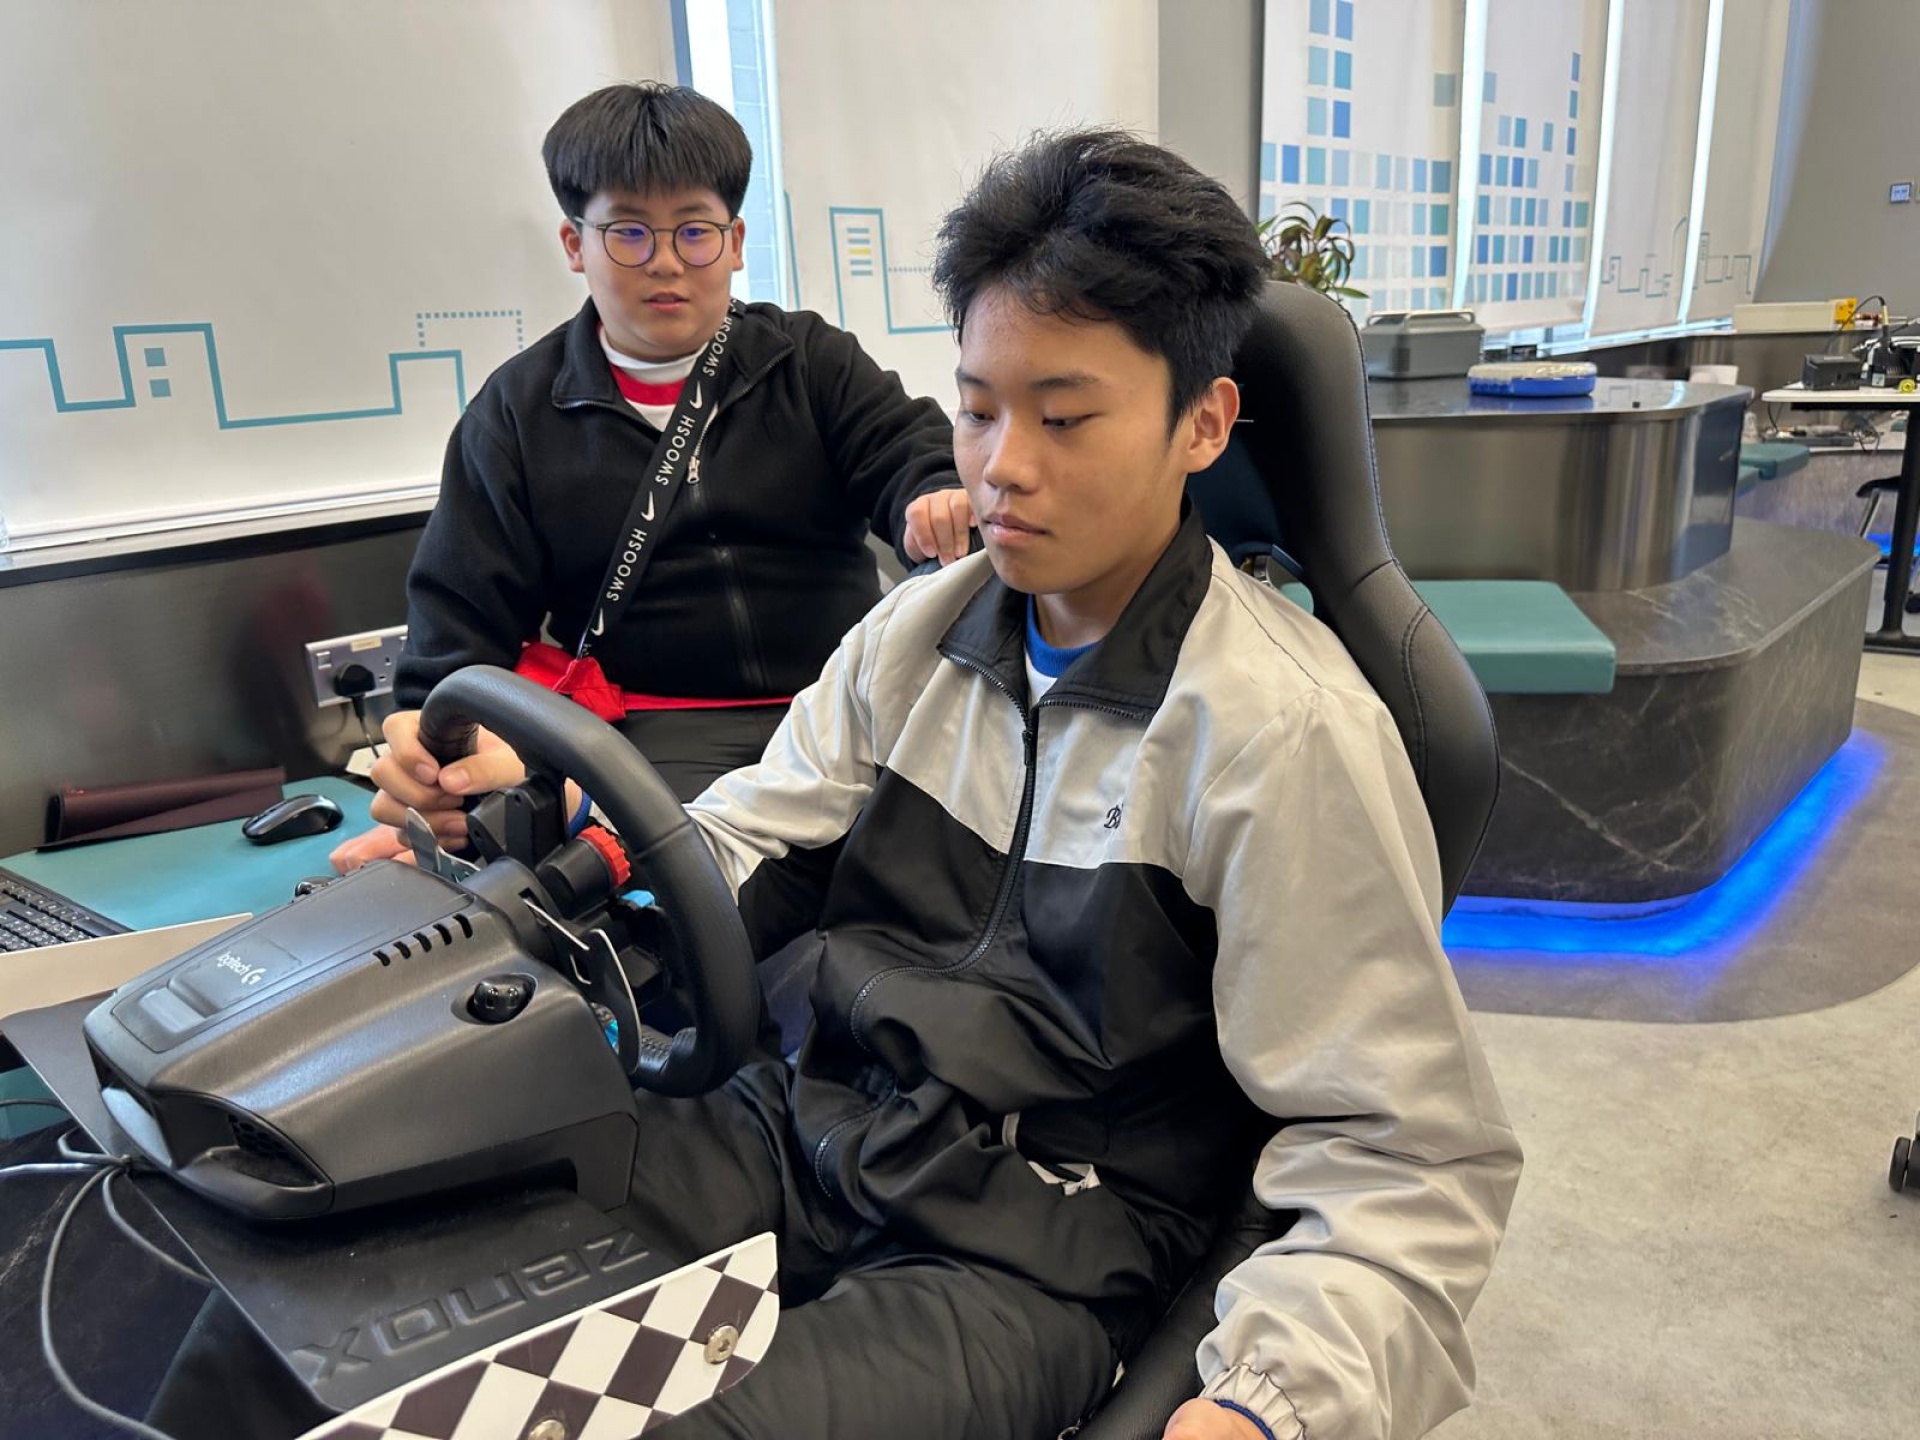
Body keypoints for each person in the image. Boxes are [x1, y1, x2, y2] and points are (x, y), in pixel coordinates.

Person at [148, 131, 1520, 1440]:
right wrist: (524, 880)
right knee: (306, 1327)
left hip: (1038, 1243)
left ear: (1203, 424)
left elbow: (1403, 1155)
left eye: (1063, 417)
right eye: (977, 410)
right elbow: (741, 837)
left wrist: (1271, 1398)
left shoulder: (1281, 733)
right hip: (812, 1123)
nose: (1004, 469)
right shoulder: (916, 638)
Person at [331, 82, 975, 871]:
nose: (666, 261)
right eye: (628, 232)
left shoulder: (810, 361)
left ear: (736, 242)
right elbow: (454, 642)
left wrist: (937, 493)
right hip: (644, 742)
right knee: (577, 885)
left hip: (842, 708)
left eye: (695, 231)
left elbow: (912, 454)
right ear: (575, 244)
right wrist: (436, 761)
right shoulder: (515, 413)